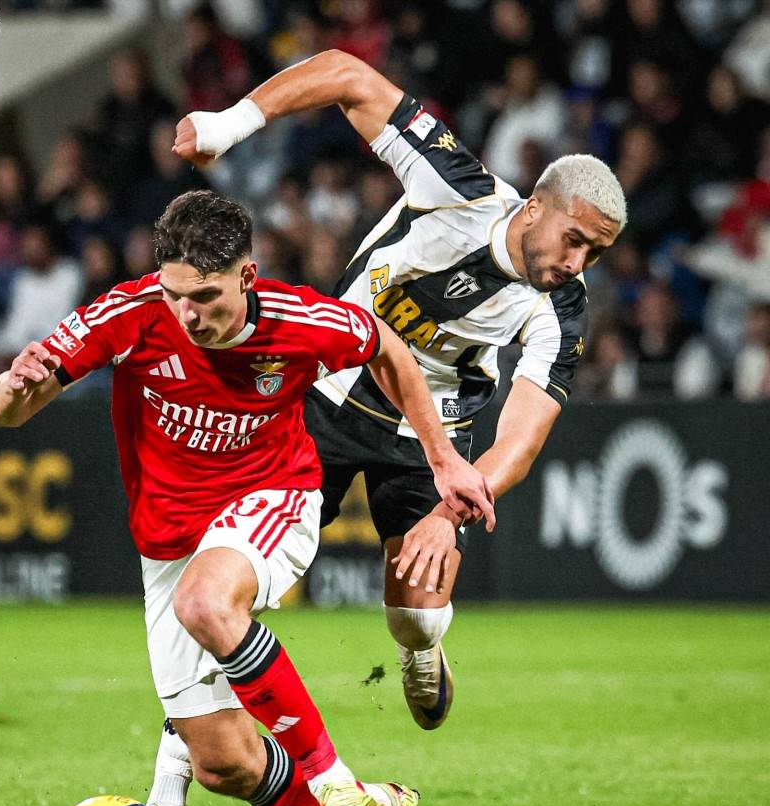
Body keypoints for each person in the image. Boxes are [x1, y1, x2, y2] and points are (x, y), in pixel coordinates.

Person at [0, 190, 495, 806]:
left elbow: (387, 349)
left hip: (274, 497)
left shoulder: (301, 320)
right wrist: (16, 388)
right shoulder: (132, 313)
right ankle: (381, 805)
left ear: (247, 277)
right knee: (227, 765)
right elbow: (8, 412)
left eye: (206, 297)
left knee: (206, 602)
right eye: (176, 296)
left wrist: (442, 459)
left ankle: (332, 777)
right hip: (168, 543)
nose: (189, 315)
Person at [169, 49, 626, 734]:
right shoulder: (457, 186)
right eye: (573, 240)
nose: (576, 262)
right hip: (324, 395)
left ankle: (422, 648)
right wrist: (231, 124)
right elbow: (345, 73)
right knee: (231, 577)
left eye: (594, 253)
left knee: (414, 617)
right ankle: (191, 748)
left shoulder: (563, 307)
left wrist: (449, 512)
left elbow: (523, 437)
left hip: (427, 437)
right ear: (535, 208)